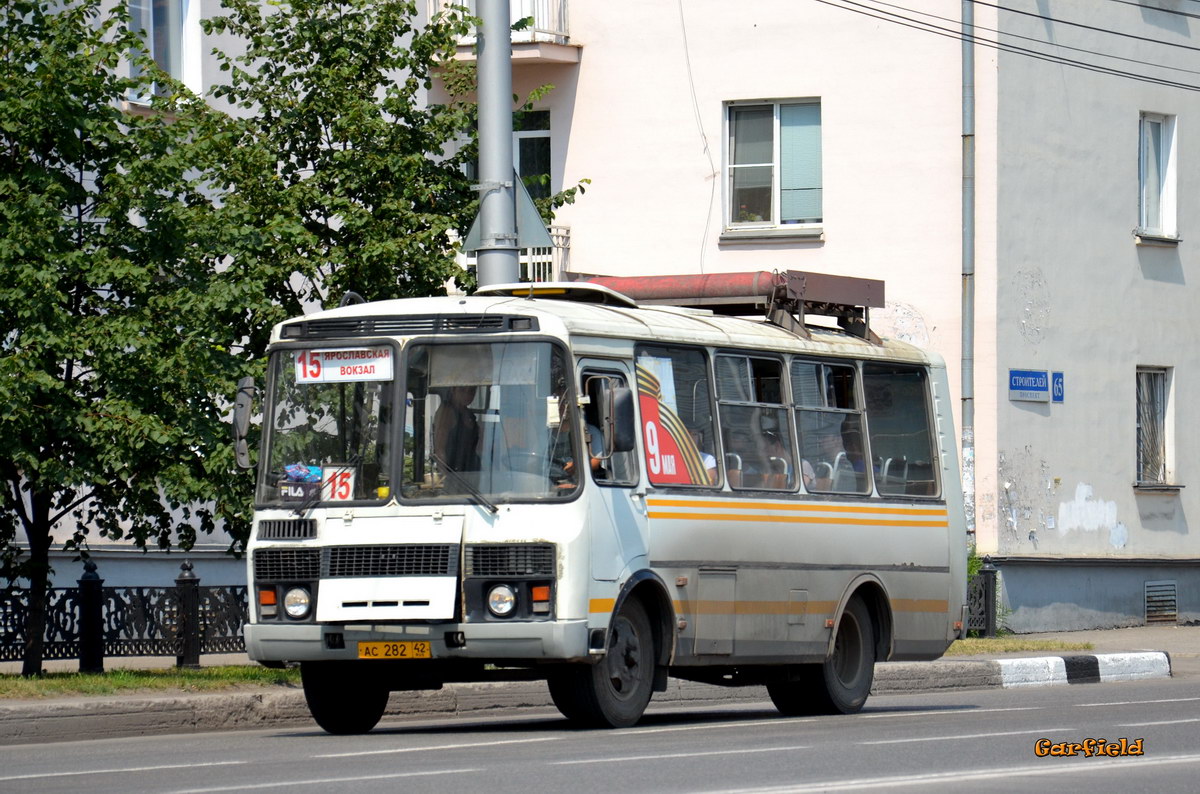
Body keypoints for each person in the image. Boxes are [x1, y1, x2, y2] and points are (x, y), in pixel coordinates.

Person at [433, 385, 479, 472]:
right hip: (455, 475)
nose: (467, 394)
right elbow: (440, 449)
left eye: (472, 390)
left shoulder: (469, 414)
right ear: (453, 390)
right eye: (462, 389)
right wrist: (445, 476)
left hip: (470, 472)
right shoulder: (447, 412)